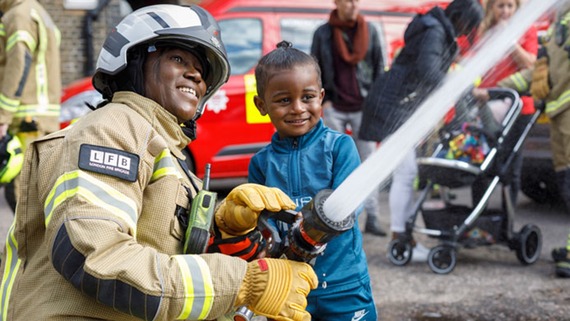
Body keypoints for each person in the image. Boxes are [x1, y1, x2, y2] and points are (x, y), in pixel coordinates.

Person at [0, 5, 318, 320]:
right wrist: (241, 282)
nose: (196, 74)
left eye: (202, 70)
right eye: (178, 59)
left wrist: (223, 224)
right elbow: (94, 256)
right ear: (134, 61)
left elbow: (164, 244)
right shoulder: (112, 128)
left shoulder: (161, 144)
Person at [248, 41, 377, 321]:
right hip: (288, 288)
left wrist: (309, 232)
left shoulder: (340, 147)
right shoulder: (260, 163)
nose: (297, 108)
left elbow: (350, 209)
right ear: (261, 104)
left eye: (307, 97)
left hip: (344, 285)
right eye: (283, 100)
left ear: (320, 97)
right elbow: (260, 225)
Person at [359, 0, 484, 261]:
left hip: (395, 103)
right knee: (406, 173)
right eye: (467, 25)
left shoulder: (433, 27)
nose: (465, 32)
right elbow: (428, 71)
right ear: (460, 17)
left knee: (406, 173)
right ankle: (401, 239)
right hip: (395, 106)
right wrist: (459, 88)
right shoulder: (435, 31)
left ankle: (403, 238)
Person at [501, 1, 570, 277]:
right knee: (566, 185)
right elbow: (538, 73)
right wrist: (496, 89)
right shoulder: (557, 27)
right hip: (559, 117)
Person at [311, 0, 386, 236]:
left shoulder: (370, 30)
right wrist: (325, 100)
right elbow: (315, 69)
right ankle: (337, 216)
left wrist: (375, 101)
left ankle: (372, 217)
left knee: (369, 162)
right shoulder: (323, 33)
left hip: (364, 106)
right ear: (337, 2)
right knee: (334, 162)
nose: (352, 4)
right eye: (347, 0)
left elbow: (379, 67)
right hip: (335, 105)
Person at [468, 0, 537, 207]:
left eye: (510, 6)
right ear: (491, 8)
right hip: (487, 104)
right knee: (481, 163)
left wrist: (510, 41)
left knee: (511, 167)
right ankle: (478, 221)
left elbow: (530, 64)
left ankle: (506, 223)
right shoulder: (484, 31)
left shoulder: (528, 30)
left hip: (518, 107)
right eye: (500, 6)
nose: (505, 11)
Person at [0, 0, 62, 212]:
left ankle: (26, 246)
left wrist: (3, 115)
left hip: (26, 117)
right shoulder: (40, 13)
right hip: (41, 116)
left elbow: (20, 61)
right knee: (36, 192)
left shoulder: (18, 14)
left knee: (23, 195)